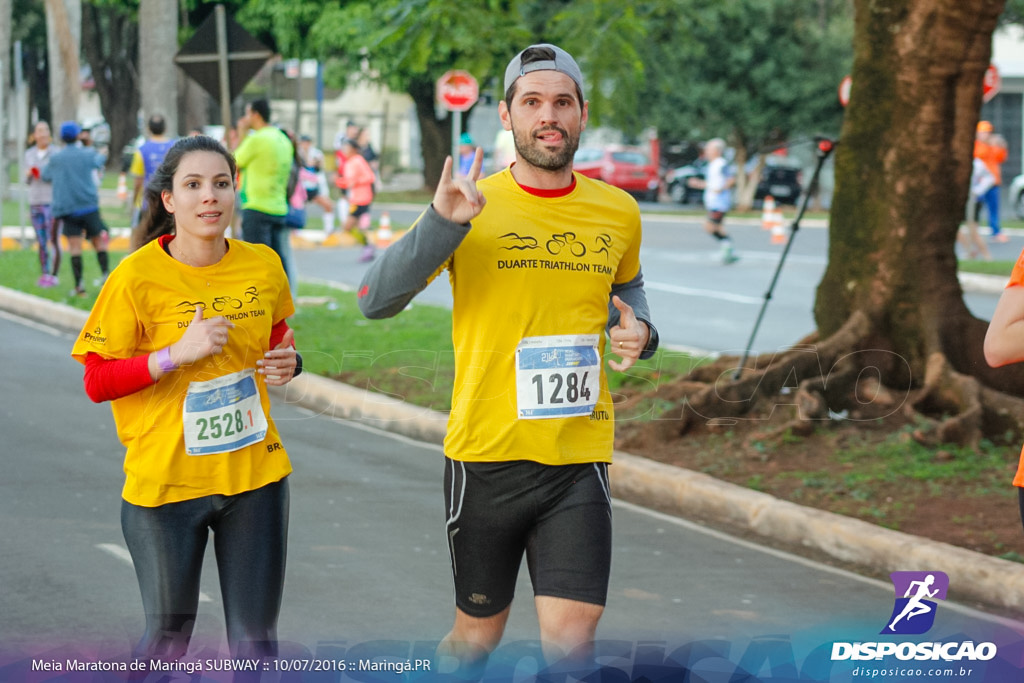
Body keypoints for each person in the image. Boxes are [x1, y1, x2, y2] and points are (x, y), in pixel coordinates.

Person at [356, 43, 659, 675]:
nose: (547, 115)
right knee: (475, 638)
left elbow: (625, 293)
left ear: (580, 114)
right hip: (486, 457)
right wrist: (441, 221)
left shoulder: (618, 212)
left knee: (573, 638)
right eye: (532, 103)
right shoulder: (470, 207)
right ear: (506, 114)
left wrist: (642, 332)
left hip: (578, 459)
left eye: (561, 102)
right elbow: (375, 302)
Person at [70, 135, 300, 663]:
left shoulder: (262, 265)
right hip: (165, 488)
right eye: (192, 185)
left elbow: (277, 338)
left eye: (221, 183)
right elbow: (97, 381)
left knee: (256, 644)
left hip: (254, 479)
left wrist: (290, 362)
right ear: (169, 200)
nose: (209, 197)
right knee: (167, 643)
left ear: (235, 190)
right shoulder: (135, 278)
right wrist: (174, 354)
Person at [42, 121, 110, 296]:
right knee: (98, 242)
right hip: (89, 206)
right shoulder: (87, 154)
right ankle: (106, 277)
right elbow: (100, 161)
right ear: (78, 135)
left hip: (68, 209)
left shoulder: (56, 158)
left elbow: (45, 175)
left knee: (74, 247)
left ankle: (80, 287)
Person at [232, 98, 294, 274]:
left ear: (255, 115)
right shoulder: (282, 139)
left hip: (257, 207)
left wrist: (241, 132)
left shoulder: (257, 139)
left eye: (247, 113)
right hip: (279, 207)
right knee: (279, 262)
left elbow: (234, 162)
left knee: (257, 263)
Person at [688, 137, 738, 264]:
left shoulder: (721, 164)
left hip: (719, 202)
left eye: (709, 149)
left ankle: (727, 246)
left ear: (717, 151)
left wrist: (721, 188)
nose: (707, 152)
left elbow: (731, 179)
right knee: (718, 227)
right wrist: (699, 184)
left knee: (709, 226)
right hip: (714, 202)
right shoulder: (712, 164)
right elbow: (712, 184)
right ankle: (727, 249)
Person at [129, 113, 176, 246]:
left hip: (148, 202)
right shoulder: (175, 148)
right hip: (172, 201)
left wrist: (134, 200)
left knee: (145, 240)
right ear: (165, 128)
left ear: (148, 129)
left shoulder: (142, 150)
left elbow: (138, 180)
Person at [24, 120, 60, 288]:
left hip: (51, 201)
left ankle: (54, 274)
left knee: (53, 239)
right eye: (40, 130)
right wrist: (29, 174)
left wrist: (43, 173)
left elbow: (58, 176)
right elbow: (26, 180)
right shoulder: (29, 154)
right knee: (41, 240)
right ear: (35, 135)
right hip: (35, 201)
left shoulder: (56, 153)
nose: (43, 134)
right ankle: (44, 272)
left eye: (46, 130)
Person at [336, 137, 377, 262]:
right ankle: (367, 246)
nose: (344, 150)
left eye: (347, 147)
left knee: (347, 226)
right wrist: (342, 182)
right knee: (355, 227)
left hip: (361, 198)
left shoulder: (358, 160)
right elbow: (349, 181)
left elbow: (370, 177)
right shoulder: (349, 162)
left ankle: (368, 246)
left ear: (354, 149)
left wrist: (354, 182)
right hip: (355, 198)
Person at [974, 120, 1008, 243]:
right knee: (975, 210)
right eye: (983, 132)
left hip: (993, 182)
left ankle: (995, 232)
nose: (986, 135)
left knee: (993, 209)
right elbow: (979, 156)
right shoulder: (977, 146)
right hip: (979, 184)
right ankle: (974, 233)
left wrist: (1001, 144)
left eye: (988, 132)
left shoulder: (994, 146)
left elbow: (1001, 157)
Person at [297, 134, 336, 233]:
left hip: (313, 188)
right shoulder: (297, 154)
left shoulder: (316, 154)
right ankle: (297, 232)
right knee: (297, 209)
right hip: (301, 189)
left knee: (328, 205)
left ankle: (329, 229)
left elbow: (318, 168)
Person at [959, 157, 994, 261]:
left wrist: (977, 191)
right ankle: (970, 251)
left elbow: (990, 178)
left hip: (973, 201)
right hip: (961, 200)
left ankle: (987, 257)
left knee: (973, 231)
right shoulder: (953, 163)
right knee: (954, 229)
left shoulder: (977, 164)